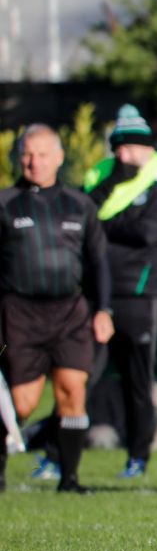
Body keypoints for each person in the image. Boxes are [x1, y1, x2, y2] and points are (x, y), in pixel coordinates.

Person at [0, 125, 114, 493]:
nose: (34, 161)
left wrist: (104, 310)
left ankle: (70, 478)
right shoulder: (5, 203)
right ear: (19, 158)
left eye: (43, 154)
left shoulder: (79, 206)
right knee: (23, 402)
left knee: (72, 391)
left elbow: (98, 262)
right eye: (28, 154)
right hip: (20, 314)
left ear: (60, 157)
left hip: (69, 314)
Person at [82, 105, 157, 479]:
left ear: (146, 148)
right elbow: (79, 217)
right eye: (118, 148)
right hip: (94, 294)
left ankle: (138, 455)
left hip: (139, 295)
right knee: (80, 377)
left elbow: (149, 233)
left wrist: (103, 226)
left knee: (137, 380)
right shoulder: (101, 177)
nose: (123, 155)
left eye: (130, 148)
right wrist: (109, 194)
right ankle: (59, 454)